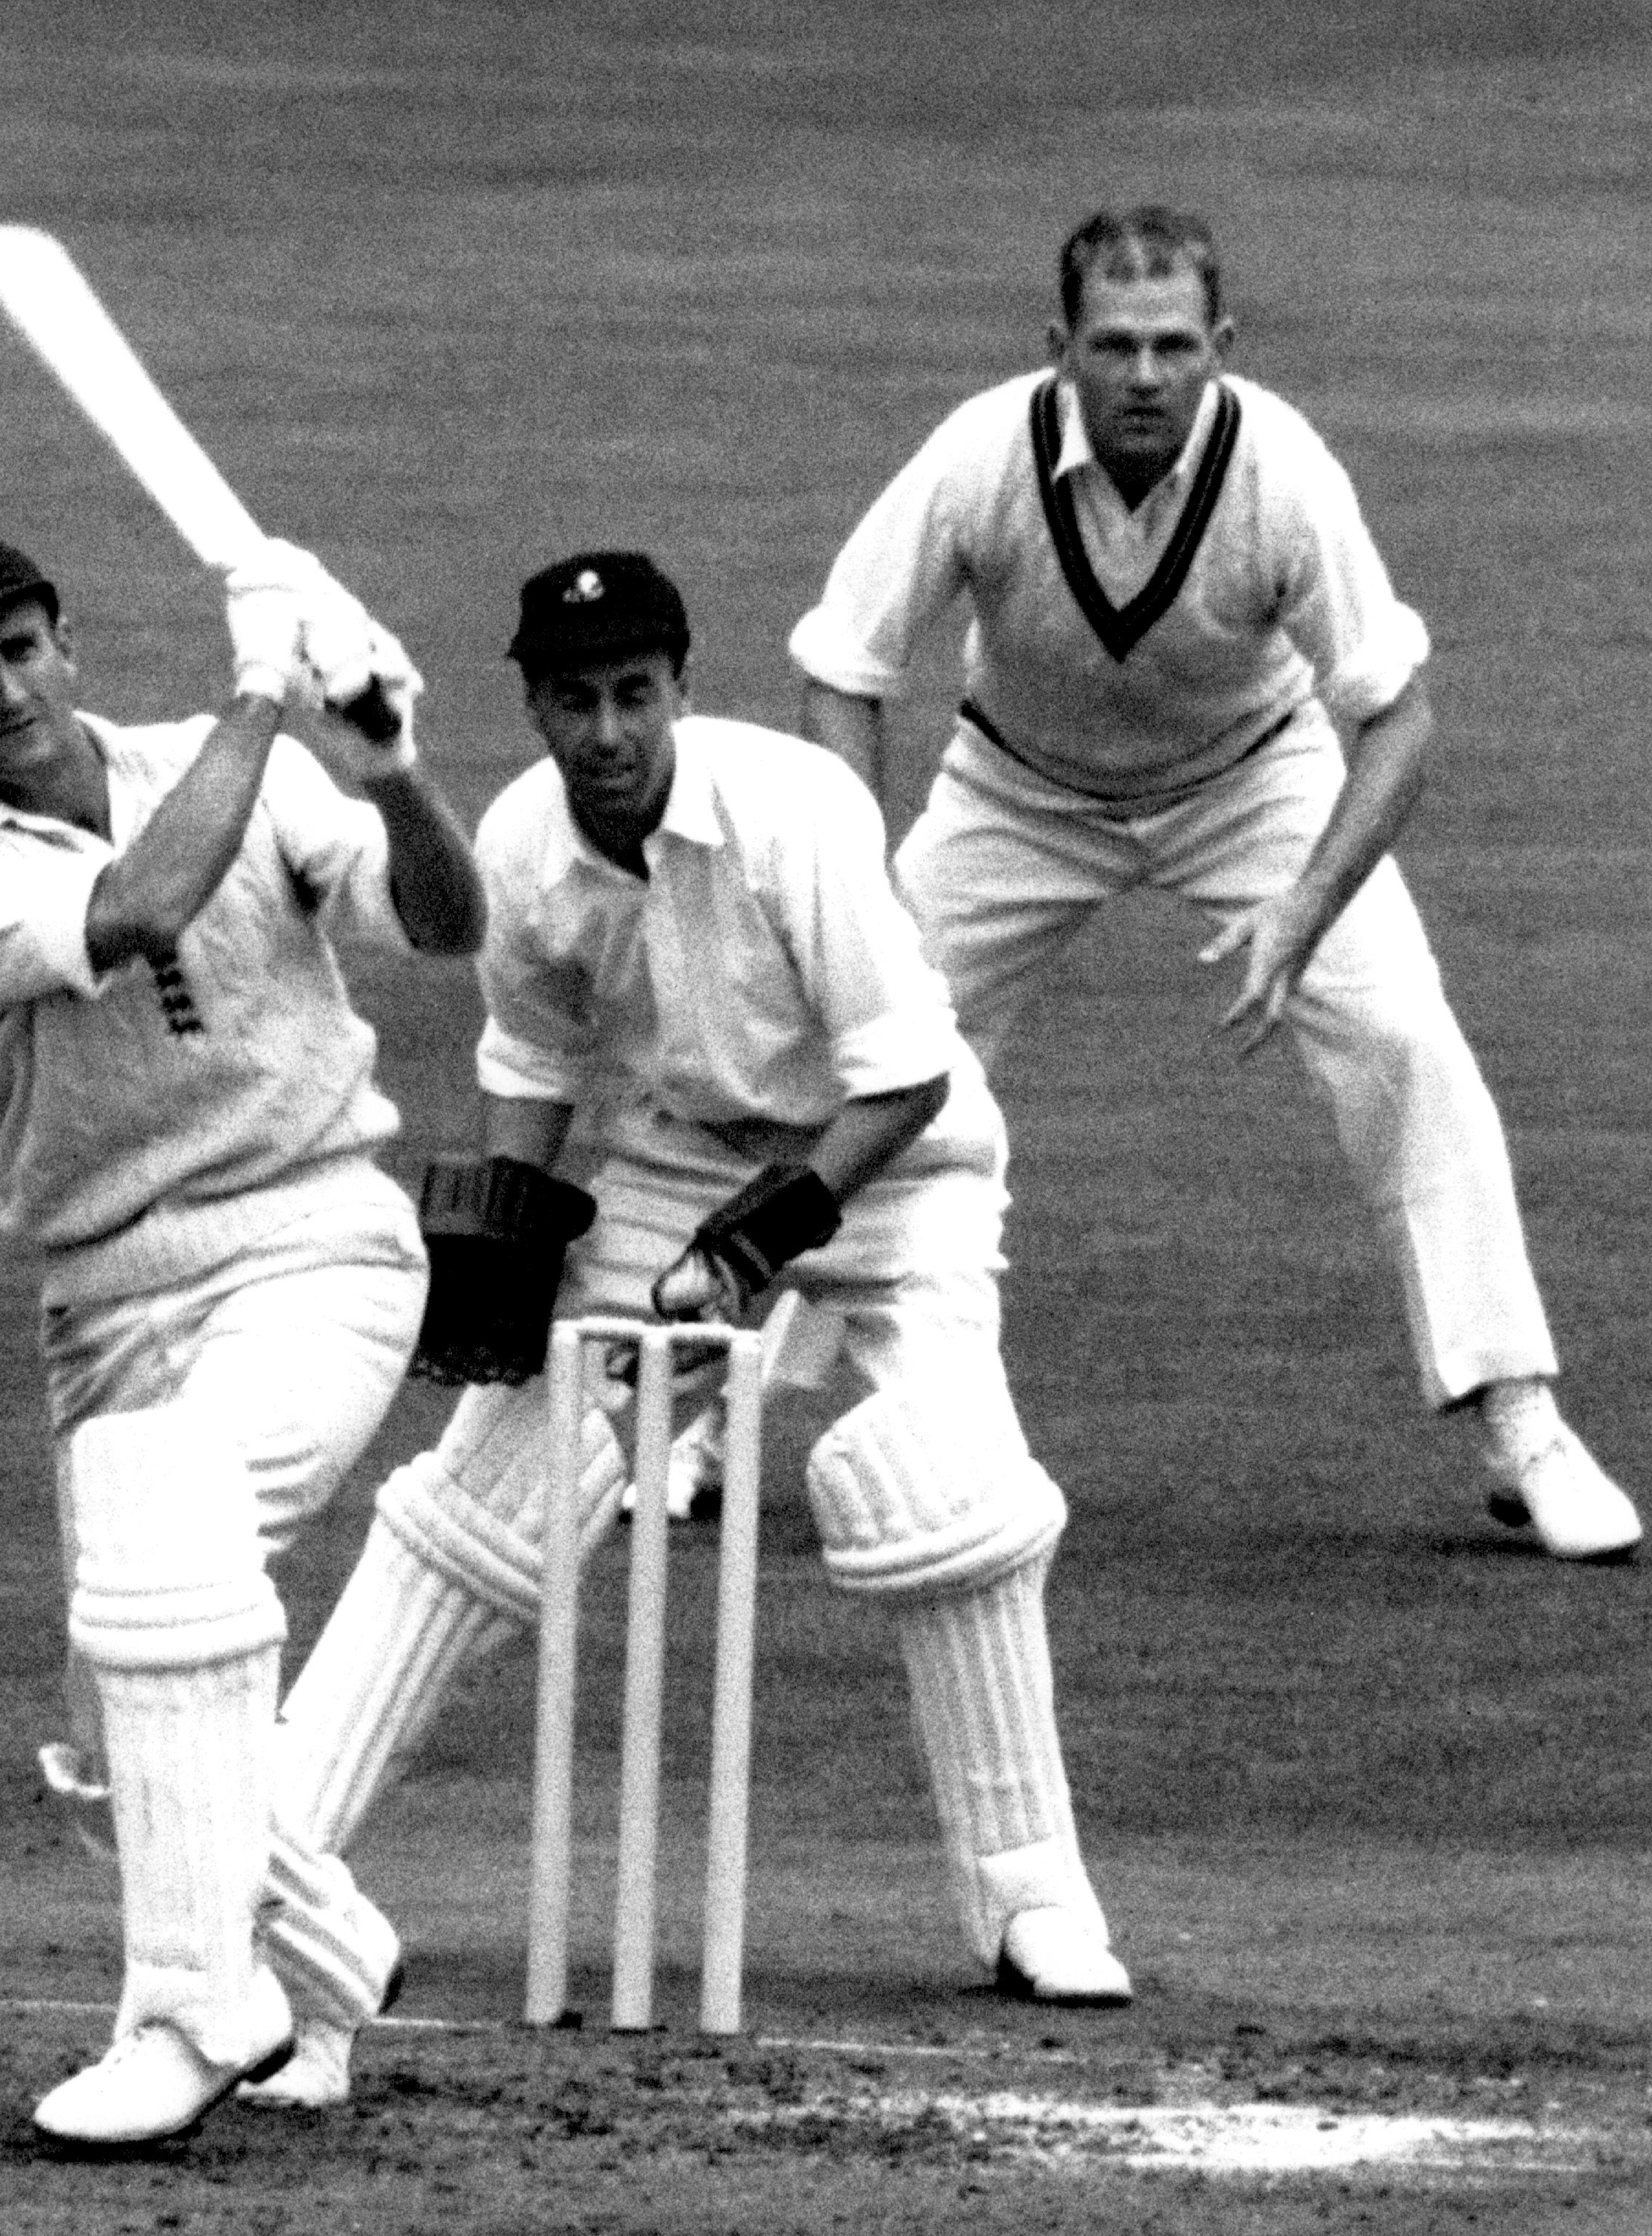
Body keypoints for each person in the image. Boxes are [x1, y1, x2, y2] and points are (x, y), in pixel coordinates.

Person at [262, 547, 1132, 2098]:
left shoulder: (794, 809)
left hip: (893, 1170)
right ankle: (270, 1854)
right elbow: (531, 1062)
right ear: (531, 703)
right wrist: (509, 1261)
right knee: (481, 1493)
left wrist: (764, 1239)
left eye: (636, 697)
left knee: (956, 1499)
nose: (608, 732)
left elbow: (906, 1074)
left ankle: (1034, 1900)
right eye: (577, 701)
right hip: (672, 1171)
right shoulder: (527, 844)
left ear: (678, 688)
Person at [782, 205, 1640, 1564]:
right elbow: (845, 665)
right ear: (1055, 347)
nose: (1141, 377)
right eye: (1111, 345)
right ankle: (704, 1398)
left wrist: (1302, 909)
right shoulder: (974, 456)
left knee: (1407, 1041)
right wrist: (861, 903)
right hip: (1013, 793)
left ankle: (1521, 1423)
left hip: (1255, 786)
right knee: (863, 1061)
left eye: (1173, 346)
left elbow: (1395, 717)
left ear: (1220, 349)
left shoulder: (1284, 471)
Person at [0, 531, 487, 2146]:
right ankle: (322, 1950)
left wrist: (400, 775)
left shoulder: (251, 773)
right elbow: (143, 901)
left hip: (315, 1245)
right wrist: (265, 690)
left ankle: (191, 2006)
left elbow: (446, 923)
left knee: (179, 1542)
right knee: (112, 1751)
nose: (4, 692)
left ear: (65, 646)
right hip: (107, 1305)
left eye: (21, 651)